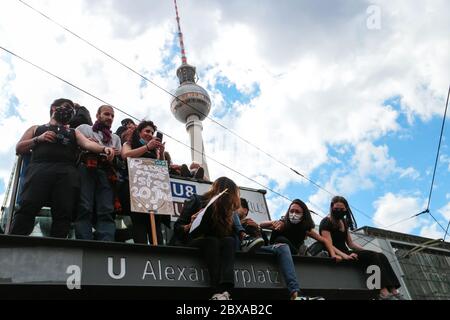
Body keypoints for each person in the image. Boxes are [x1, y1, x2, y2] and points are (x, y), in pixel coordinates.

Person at [10, 98, 114, 238]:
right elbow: (19, 147)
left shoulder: (74, 132)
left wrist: (103, 148)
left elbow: (87, 144)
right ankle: (14, 244)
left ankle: (58, 250)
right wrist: (38, 139)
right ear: (54, 108)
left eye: (72, 109)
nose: (69, 111)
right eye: (66, 107)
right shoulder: (36, 128)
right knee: (27, 207)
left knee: (63, 213)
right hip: (39, 170)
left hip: (66, 174)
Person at [319, 196, 404, 300]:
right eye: (337, 208)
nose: (339, 211)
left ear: (346, 209)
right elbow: (329, 245)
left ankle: (394, 291)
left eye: (342, 209)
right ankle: (383, 292)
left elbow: (351, 244)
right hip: (336, 253)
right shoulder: (326, 222)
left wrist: (368, 251)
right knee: (372, 257)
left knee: (380, 255)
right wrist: (345, 256)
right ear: (332, 207)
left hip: (346, 251)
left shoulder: (344, 223)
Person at [170, 177, 240, 300]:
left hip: (214, 246)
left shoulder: (228, 213)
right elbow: (177, 228)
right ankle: (216, 291)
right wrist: (190, 224)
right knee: (212, 241)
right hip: (191, 242)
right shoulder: (197, 200)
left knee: (229, 241)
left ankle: (226, 290)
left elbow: (230, 237)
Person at [258, 199, 339, 299]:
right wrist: (274, 222)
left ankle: (306, 255)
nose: (293, 214)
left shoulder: (305, 228)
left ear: (303, 214)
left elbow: (325, 240)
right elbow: (261, 224)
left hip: (294, 254)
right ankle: (294, 292)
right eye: (291, 211)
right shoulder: (282, 223)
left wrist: (334, 255)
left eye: (297, 212)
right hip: (275, 251)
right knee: (281, 240)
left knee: (319, 244)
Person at [74, 105, 121, 241]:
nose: (110, 118)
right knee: (84, 206)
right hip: (86, 169)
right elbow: (75, 145)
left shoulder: (116, 138)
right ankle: (84, 242)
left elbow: (118, 158)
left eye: (112, 116)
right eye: (107, 114)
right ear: (97, 115)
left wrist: (114, 155)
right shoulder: (84, 128)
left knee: (106, 209)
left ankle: (106, 244)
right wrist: (89, 144)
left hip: (106, 173)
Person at [120, 120, 169, 244]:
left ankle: (159, 255)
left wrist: (161, 153)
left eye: (152, 132)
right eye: (147, 131)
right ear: (139, 132)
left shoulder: (154, 150)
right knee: (139, 223)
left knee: (156, 226)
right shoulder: (129, 143)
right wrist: (147, 147)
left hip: (153, 192)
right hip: (136, 190)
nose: (150, 134)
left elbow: (161, 167)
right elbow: (125, 155)